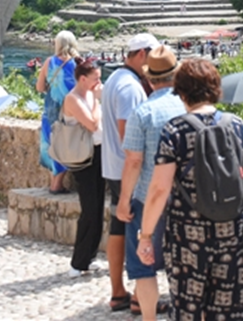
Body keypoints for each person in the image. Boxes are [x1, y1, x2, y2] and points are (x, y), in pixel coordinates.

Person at [136, 59, 243, 321]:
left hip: (187, 239)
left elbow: (159, 189)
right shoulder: (241, 128)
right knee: (230, 312)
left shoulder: (175, 131)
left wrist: (146, 236)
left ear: (182, 92)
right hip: (235, 234)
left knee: (188, 311)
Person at [115, 46, 184, 319]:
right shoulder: (190, 108)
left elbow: (133, 161)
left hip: (147, 199)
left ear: (149, 79)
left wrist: (124, 201)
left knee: (144, 268)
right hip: (186, 199)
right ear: (176, 75)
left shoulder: (143, 113)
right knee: (183, 265)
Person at [100, 32, 158, 313]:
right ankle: (138, 297)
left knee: (117, 227)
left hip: (112, 166)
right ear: (142, 54)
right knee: (140, 232)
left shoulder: (114, 79)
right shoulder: (131, 88)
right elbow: (129, 135)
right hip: (127, 171)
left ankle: (118, 292)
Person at [62, 59, 106, 277]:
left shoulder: (90, 94)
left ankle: (89, 257)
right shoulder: (73, 99)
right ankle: (78, 261)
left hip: (98, 152)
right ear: (82, 79)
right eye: (95, 78)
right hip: (83, 157)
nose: (99, 82)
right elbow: (92, 124)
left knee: (98, 207)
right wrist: (97, 101)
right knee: (89, 208)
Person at [38, 31, 80, 194]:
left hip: (50, 108)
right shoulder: (76, 63)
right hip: (68, 110)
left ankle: (54, 184)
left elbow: (40, 87)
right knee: (65, 145)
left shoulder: (49, 62)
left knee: (51, 144)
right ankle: (56, 185)